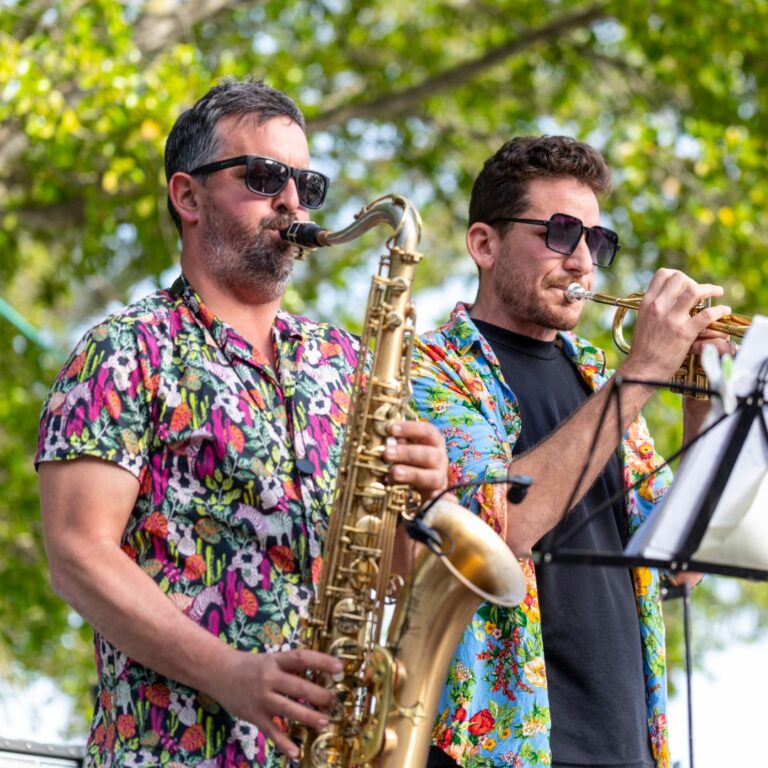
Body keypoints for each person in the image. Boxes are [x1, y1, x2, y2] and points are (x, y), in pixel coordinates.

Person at [35, 78, 450, 767]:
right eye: (263, 177)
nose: (291, 200)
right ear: (187, 196)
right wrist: (229, 673)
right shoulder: (124, 349)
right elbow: (78, 556)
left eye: (305, 184)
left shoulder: (345, 360)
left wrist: (425, 501)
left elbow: (390, 577)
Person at [411, 136, 735, 768]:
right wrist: (641, 373)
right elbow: (501, 530)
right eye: (561, 233)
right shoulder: (430, 367)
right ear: (484, 244)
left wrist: (703, 405)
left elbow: (682, 560)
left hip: (629, 745)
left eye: (597, 241)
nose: (584, 261)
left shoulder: (595, 373)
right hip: (504, 749)